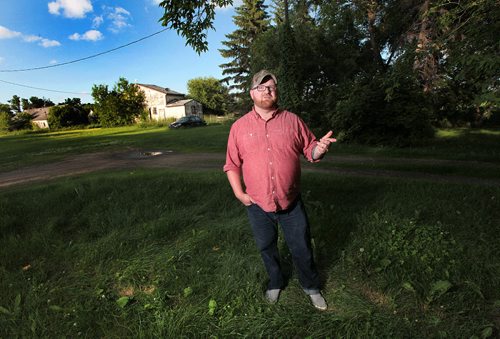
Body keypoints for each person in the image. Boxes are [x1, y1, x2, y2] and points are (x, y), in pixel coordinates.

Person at [223, 69, 336, 311]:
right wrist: (239, 193)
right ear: (252, 93)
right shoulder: (239, 127)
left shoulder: (293, 121)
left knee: (301, 246)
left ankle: (311, 286)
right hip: (256, 203)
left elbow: (311, 150)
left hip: (291, 201)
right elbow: (231, 164)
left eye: (272, 87)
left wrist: (321, 149)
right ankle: (276, 282)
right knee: (267, 247)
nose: (268, 91)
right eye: (262, 87)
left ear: (277, 92)